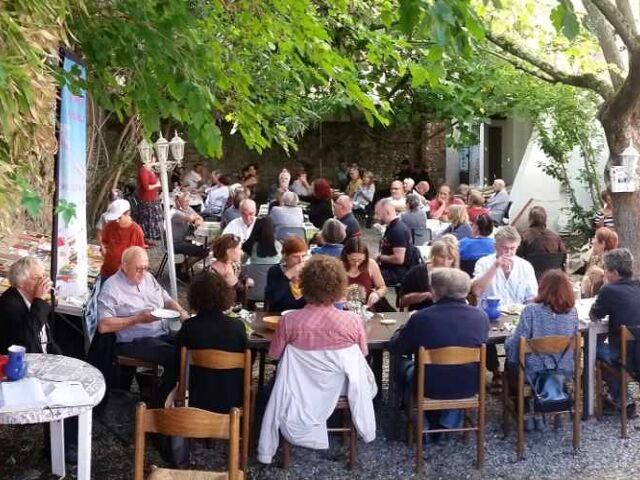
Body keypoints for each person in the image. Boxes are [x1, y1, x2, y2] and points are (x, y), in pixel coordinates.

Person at [258, 255, 376, 465]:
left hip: (298, 391)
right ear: (340, 286)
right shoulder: (353, 320)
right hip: (341, 388)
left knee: (268, 391)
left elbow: (274, 355)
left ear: (305, 285)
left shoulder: (289, 320)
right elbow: (362, 355)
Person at [389, 268, 489, 434]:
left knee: (401, 364)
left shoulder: (422, 317)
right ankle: (448, 422)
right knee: (457, 367)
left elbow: (397, 347)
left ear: (434, 291)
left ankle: (417, 419)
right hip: (469, 384)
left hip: (429, 385)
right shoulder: (481, 317)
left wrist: (401, 329)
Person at [97, 246, 188, 404]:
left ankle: (166, 392)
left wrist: (181, 312)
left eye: (146, 268)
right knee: (175, 356)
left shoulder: (148, 278)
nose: (143, 272)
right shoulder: (112, 288)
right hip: (133, 340)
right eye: (138, 269)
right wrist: (137, 319)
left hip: (160, 331)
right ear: (124, 266)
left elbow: (166, 299)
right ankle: (159, 403)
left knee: (189, 344)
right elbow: (103, 325)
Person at [505, 269, 579, 431]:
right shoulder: (572, 313)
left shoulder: (531, 311)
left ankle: (525, 410)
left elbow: (517, 345)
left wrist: (507, 341)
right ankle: (539, 411)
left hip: (532, 373)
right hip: (562, 371)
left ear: (543, 287)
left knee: (509, 361)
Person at [176, 271, 248, 413]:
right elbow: (248, 363)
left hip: (199, 400)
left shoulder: (189, 327)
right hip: (232, 400)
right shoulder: (237, 327)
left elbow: (178, 362)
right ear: (224, 295)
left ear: (194, 297)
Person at [590, 248, 640, 415]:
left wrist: (604, 286)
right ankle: (622, 396)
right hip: (636, 352)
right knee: (612, 349)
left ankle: (620, 399)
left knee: (593, 349)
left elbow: (594, 315)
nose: (604, 272)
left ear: (615, 272)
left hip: (625, 356)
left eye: (606, 269)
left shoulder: (609, 290)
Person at [0, 257, 58, 354]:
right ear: (21, 283)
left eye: (43, 276)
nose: (43, 282)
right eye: (37, 278)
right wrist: (39, 301)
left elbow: (47, 338)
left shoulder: (32, 299)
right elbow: (29, 339)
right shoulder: (10, 306)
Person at [472, 226, 538, 305]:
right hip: (489, 313)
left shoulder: (525, 266)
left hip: (516, 314)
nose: (508, 252)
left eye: (512, 248)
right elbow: (477, 291)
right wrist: (495, 267)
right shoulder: (483, 263)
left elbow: (532, 297)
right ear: (495, 246)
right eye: (504, 248)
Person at [400, 239, 459, 311]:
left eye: (450, 258)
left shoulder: (456, 276)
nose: (445, 262)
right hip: (421, 313)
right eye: (441, 257)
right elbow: (402, 302)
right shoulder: (417, 272)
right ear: (433, 255)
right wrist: (423, 295)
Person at [100, 199, 146, 279]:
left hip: (125, 275)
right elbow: (104, 242)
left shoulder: (136, 231)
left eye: (119, 218)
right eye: (114, 219)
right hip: (107, 271)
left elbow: (140, 255)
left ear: (128, 214)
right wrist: (103, 249)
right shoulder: (110, 225)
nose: (116, 221)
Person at [341, 237, 389, 311]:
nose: (356, 263)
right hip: (344, 311)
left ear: (365, 257)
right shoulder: (338, 266)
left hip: (366, 309)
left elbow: (382, 287)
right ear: (346, 256)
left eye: (360, 260)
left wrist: (377, 294)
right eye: (352, 260)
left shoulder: (371, 264)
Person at [265, 237, 308, 313]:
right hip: (279, 315)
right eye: (295, 257)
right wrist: (288, 275)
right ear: (285, 256)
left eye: (303, 256)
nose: (300, 261)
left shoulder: (310, 271)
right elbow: (273, 299)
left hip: (304, 318)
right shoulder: (275, 271)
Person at [375, 198, 413, 285]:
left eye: (378, 214)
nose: (375, 217)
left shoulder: (398, 230)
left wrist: (380, 257)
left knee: (369, 277)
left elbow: (399, 259)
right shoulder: (391, 227)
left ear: (387, 212)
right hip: (389, 268)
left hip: (397, 272)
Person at [171, 193, 208, 280]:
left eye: (188, 201)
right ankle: (182, 270)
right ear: (177, 202)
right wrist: (195, 219)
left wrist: (197, 219)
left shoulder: (186, 208)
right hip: (174, 243)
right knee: (203, 252)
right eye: (185, 201)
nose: (187, 203)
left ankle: (181, 266)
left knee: (204, 249)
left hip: (183, 240)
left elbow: (199, 218)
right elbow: (191, 218)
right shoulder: (174, 213)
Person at [210, 234, 252, 304]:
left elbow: (242, 285)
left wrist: (245, 281)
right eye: (239, 249)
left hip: (236, 309)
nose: (241, 252)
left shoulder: (235, 266)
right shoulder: (212, 271)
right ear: (229, 251)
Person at [581, 227, 618, 298]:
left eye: (595, 238)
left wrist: (602, 273)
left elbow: (616, 281)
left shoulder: (613, 260)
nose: (592, 242)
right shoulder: (595, 258)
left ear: (603, 244)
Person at [135, 159, 163, 241]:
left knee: (155, 216)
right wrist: (156, 185)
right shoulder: (143, 171)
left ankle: (156, 233)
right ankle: (150, 234)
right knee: (149, 217)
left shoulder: (150, 170)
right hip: (147, 198)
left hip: (154, 197)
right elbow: (146, 187)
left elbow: (156, 180)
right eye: (153, 158)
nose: (154, 160)